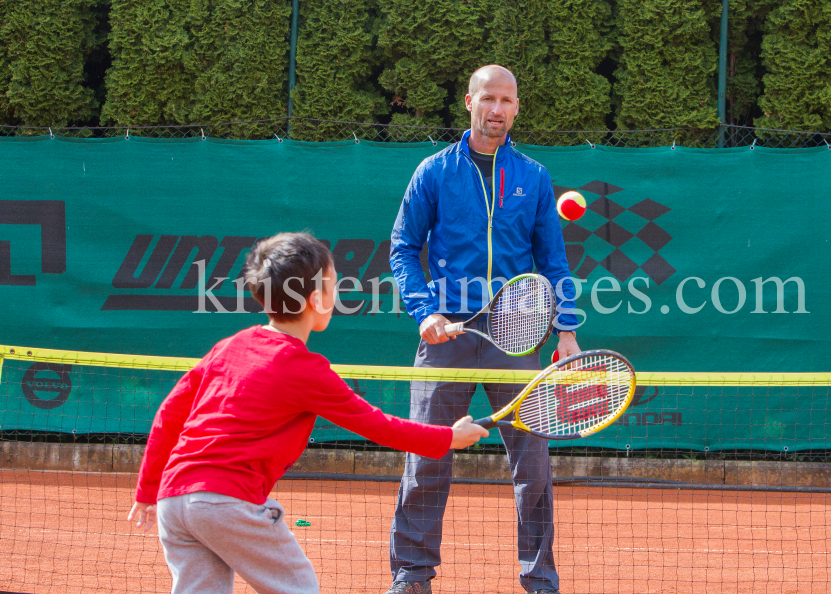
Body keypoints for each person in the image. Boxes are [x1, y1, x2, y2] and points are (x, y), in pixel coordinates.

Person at [127, 232, 489, 594]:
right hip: (227, 502)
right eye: (334, 285)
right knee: (299, 588)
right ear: (316, 299)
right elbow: (378, 426)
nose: (336, 294)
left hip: (173, 499)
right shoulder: (306, 369)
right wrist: (449, 438)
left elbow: (168, 416)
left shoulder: (228, 346)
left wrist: (147, 489)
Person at [387, 65, 581, 594]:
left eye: (507, 101)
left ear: (517, 107)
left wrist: (564, 329)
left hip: (519, 336)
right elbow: (403, 247)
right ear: (469, 102)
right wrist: (424, 312)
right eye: (488, 99)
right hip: (447, 331)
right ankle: (411, 575)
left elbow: (553, 261)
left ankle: (539, 579)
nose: (497, 110)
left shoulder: (534, 177)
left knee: (533, 467)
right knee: (427, 455)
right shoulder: (433, 171)